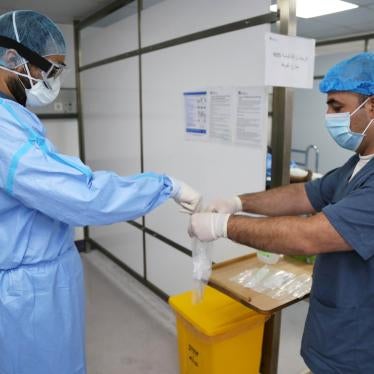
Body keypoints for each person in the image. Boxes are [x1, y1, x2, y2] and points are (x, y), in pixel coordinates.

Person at [0, 10, 201, 374]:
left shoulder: (13, 119)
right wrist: (165, 185)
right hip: (26, 291)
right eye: (49, 70)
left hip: (33, 277)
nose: (52, 82)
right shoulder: (3, 132)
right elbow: (84, 195)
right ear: (12, 59)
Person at [190, 52, 374, 373]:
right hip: (337, 326)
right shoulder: (357, 164)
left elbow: (308, 236)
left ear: (371, 105)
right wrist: (237, 202)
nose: (328, 115)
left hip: (359, 344)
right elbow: (305, 194)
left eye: (336, 106)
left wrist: (223, 225)